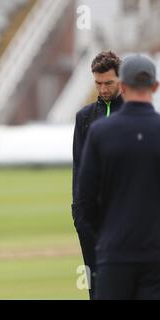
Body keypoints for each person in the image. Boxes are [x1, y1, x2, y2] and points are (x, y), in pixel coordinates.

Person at [77, 54, 160, 299]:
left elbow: (86, 197)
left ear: (122, 86)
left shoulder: (100, 132)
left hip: (114, 250)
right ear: (155, 87)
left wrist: (102, 232)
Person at [71, 51, 123, 298]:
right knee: (97, 289)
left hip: (127, 218)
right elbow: (79, 168)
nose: (102, 89)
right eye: (98, 83)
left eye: (108, 83)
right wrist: (79, 214)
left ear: (121, 81)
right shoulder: (84, 117)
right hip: (91, 220)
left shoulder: (135, 115)